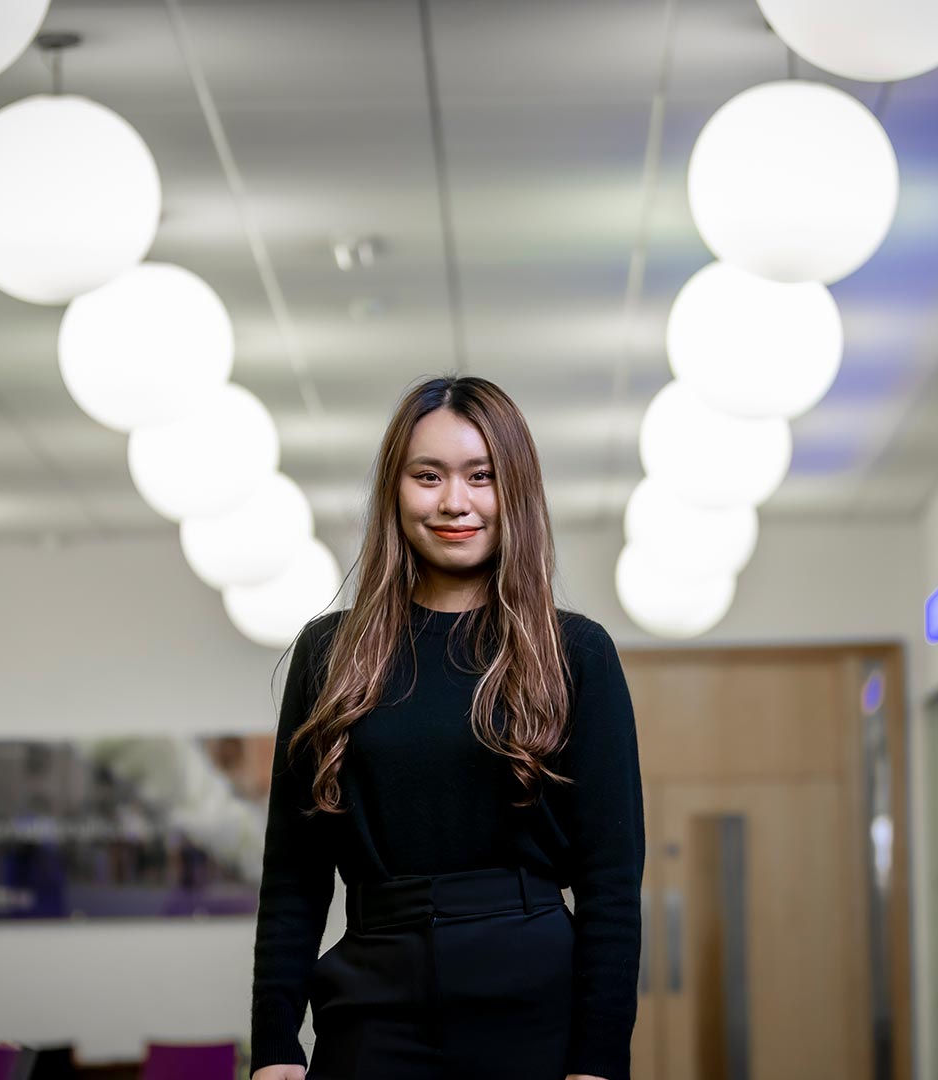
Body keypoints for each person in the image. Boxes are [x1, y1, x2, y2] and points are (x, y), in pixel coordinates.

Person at [248, 376, 645, 1080]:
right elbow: (293, 876)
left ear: (513, 492)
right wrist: (276, 1045)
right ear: (395, 491)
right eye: (427, 476)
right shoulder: (329, 654)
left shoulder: (574, 653)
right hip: (371, 994)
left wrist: (599, 1060)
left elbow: (611, 883)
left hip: (530, 995)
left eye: (481, 477)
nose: (454, 502)